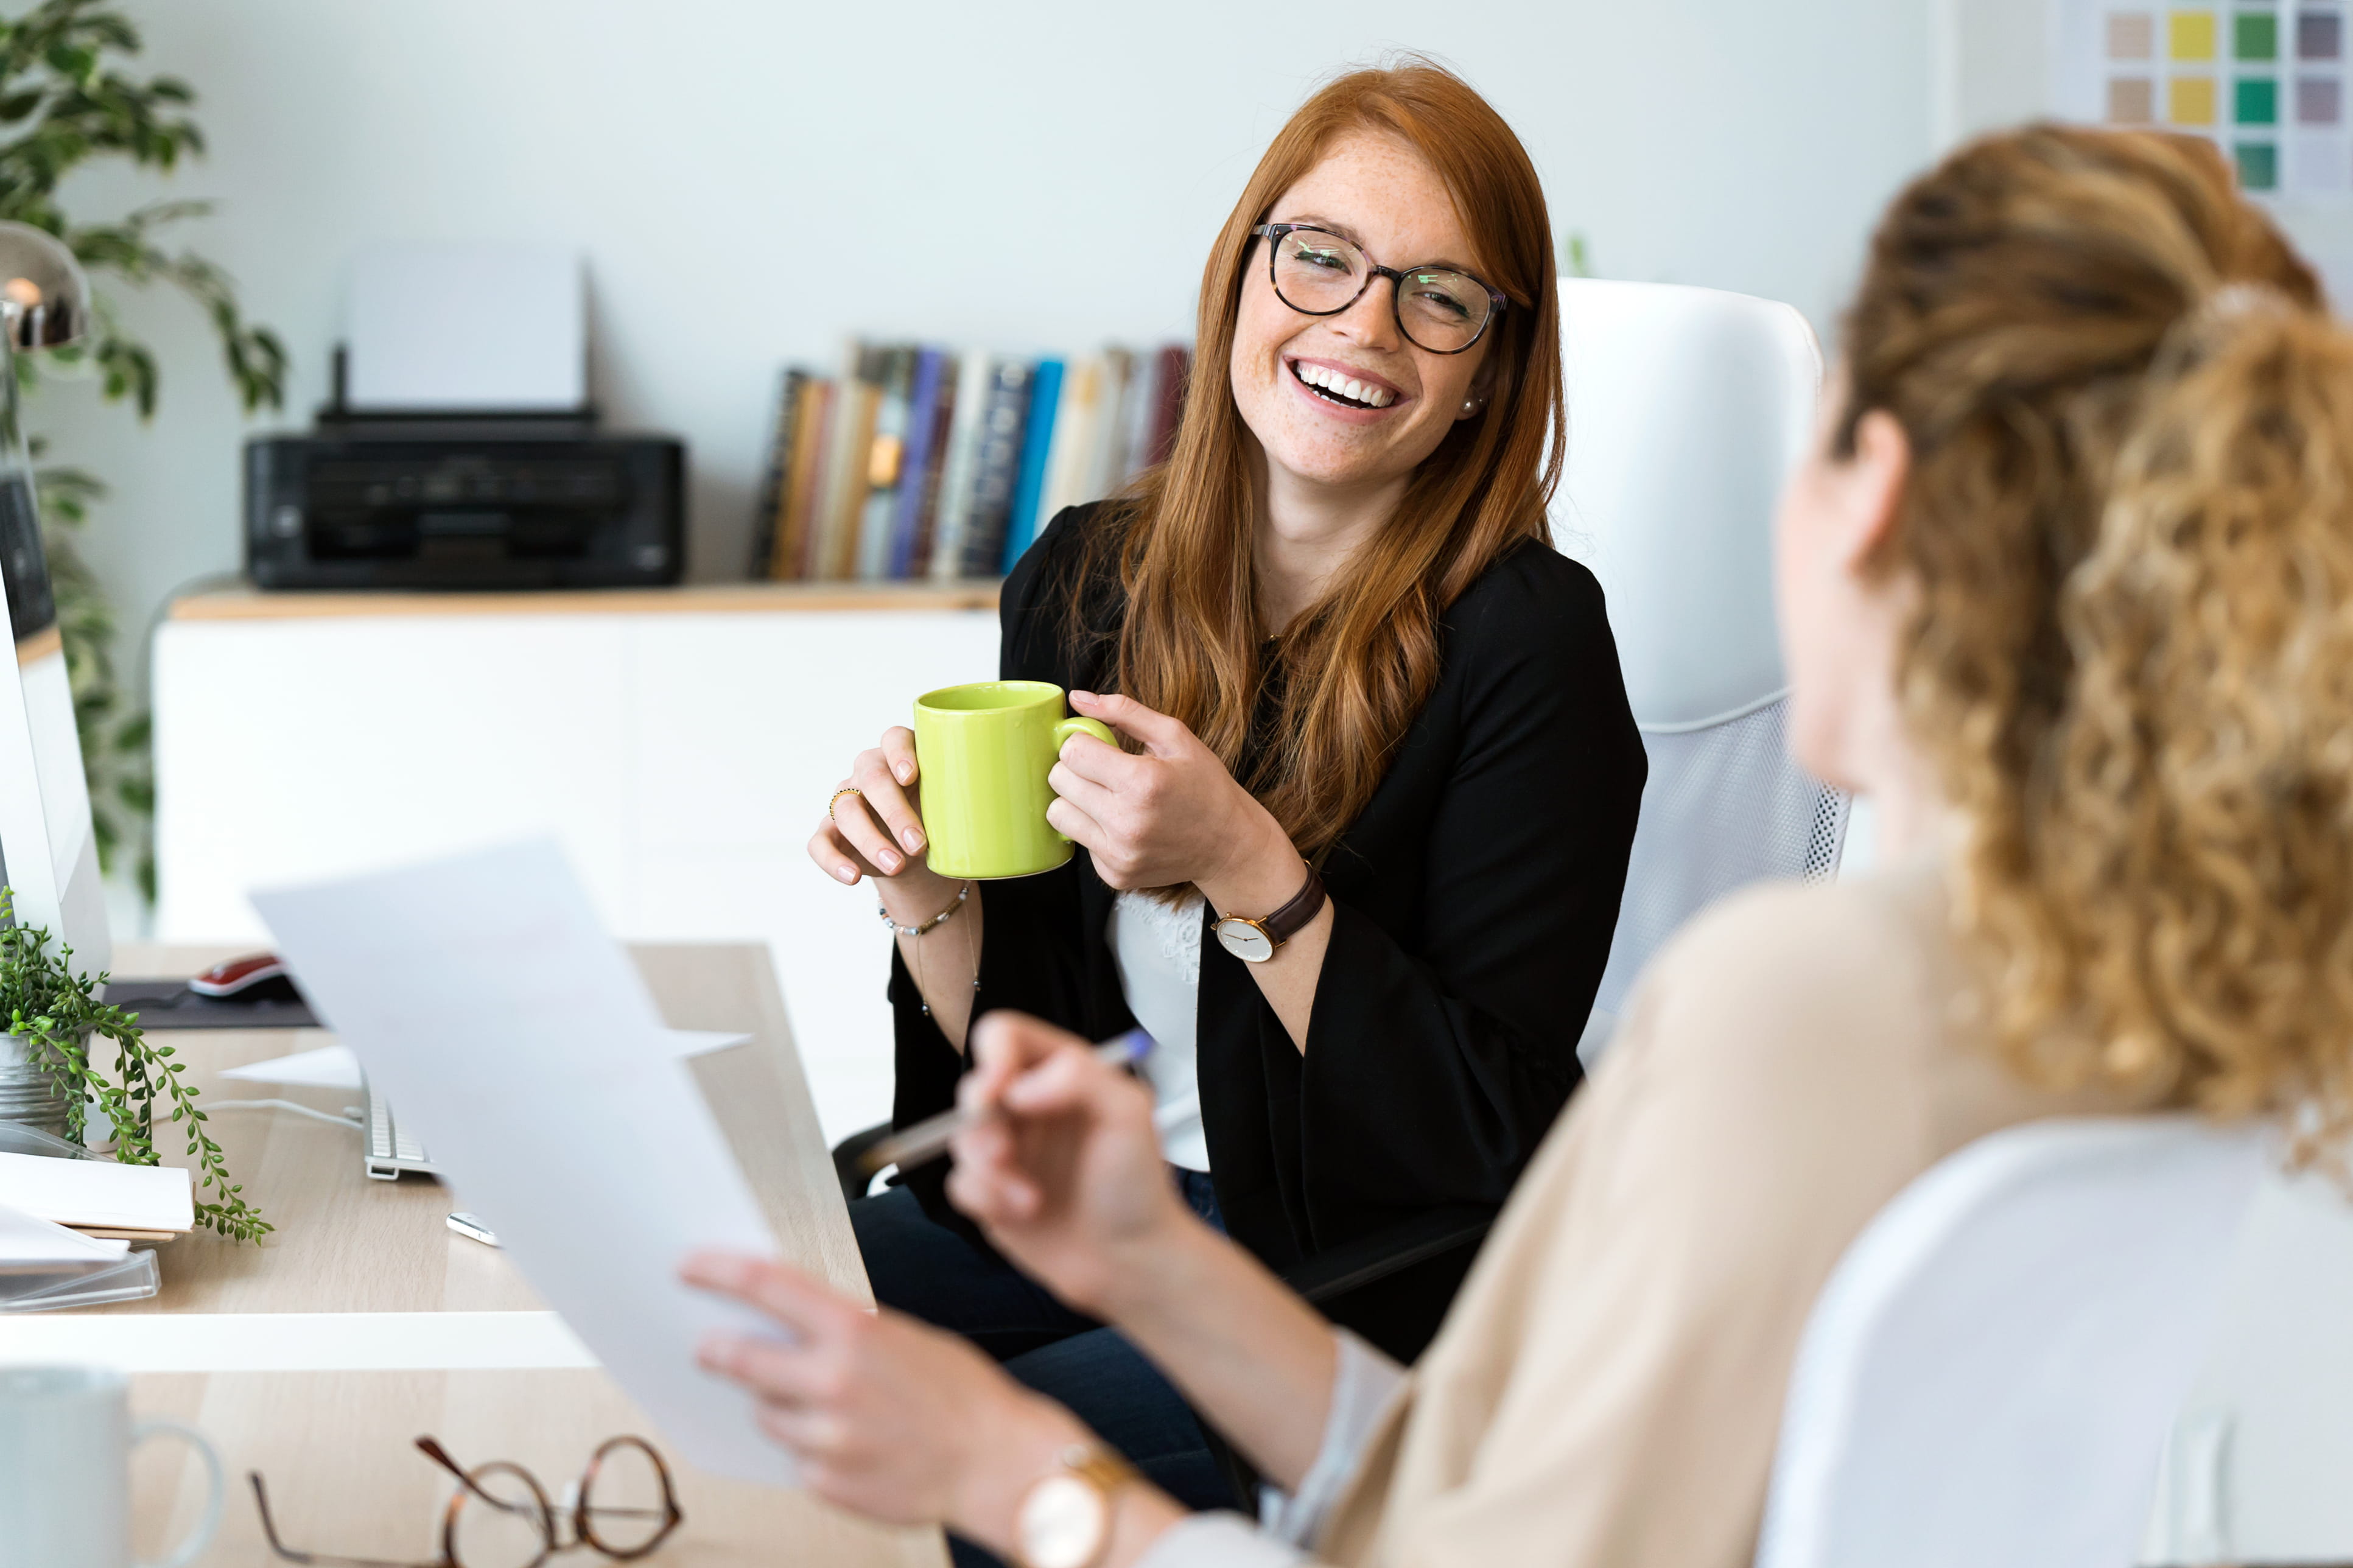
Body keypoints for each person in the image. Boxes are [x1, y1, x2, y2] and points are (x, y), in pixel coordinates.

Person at [703, 124, 2353, 1567]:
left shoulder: (1799, 999)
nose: (1364, 322)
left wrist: (1012, 1479)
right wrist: (1148, 1260)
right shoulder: (2209, 999)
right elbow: (1470, 1478)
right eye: (1320, 261)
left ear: (1874, 501)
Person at [804, 60, 1647, 1517]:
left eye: (1438, 296)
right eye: (1319, 257)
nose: (1361, 326)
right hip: (1093, 1214)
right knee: (759, 1326)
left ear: (1486, 373)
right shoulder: (1082, 578)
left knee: (958, 1464)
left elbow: (1497, 1136)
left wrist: (1257, 875)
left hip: (1338, 1291)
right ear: (1243, 272)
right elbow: (1038, 1054)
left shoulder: (1530, 642)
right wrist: (926, 894)